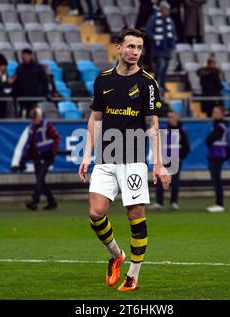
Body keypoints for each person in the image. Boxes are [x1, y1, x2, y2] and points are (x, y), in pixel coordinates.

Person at [78, 29, 171, 292]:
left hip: (132, 158)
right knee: (95, 213)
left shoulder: (148, 83)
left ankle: (133, 275)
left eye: (139, 48)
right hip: (106, 157)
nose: (135, 52)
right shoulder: (103, 80)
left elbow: (153, 124)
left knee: (135, 215)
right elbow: (95, 119)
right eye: (130, 46)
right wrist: (86, 155)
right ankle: (116, 255)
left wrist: (159, 163)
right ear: (118, 48)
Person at [19, 107, 61, 211]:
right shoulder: (32, 127)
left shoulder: (47, 125)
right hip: (37, 159)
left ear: (39, 116)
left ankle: (34, 201)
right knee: (40, 181)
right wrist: (24, 158)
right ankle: (52, 201)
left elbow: (57, 138)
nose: (34, 120)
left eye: (35, 118)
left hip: (47, 158)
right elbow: (29, 144)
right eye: (32, 118)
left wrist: (52, 152)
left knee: (40, 179)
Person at [149, 108, 190, 211]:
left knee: (175, 181)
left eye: (173, 116)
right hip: (165, 160)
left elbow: (186, 146)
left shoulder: (182, 131)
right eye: (169, 117)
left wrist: (181, 157)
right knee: (160, 180)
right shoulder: (164, 130)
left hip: (176, 160)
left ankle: (174, 202)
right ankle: (159, 202)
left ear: (177, 117)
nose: (171, 119)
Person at [145, 1, 177, 91]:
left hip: (168, 49)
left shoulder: (170, 20)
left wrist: (173, 41)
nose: (168, 11)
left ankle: (162, 84)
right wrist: (155, 38)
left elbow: (173, 32)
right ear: (162, 10)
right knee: (160, 66)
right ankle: (155, 84)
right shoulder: (154, 18)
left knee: (165, 68)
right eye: (166, 10)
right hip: (158, 49)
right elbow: (148, 31)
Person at [10, 48, 50, 118]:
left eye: (26, 55)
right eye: (23, 56)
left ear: (31, 56)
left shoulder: (38, 67)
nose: (25, 57)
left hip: (35, 98)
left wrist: (45, 93)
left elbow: (45, 81)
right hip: (23, 98)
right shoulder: (19, 68)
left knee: (35, 116)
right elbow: (16, 83)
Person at [205, 105, 230, 213]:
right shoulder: (217, 125)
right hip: (214, 154)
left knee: (217, 179)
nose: (213, 114)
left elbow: (210, 139)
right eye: (213, 112)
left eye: (215, 112)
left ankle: (220, 204)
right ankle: (218, 203)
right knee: (215, 179)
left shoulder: (220, 126)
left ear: (222, 114)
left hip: (217, 154)